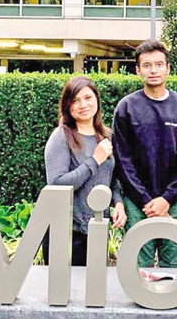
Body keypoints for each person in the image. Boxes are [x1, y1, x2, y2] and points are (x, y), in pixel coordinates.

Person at [113, 40, 177, 269]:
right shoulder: (126, 107)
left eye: (159, 64)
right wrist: (146, 201)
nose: (153, 70)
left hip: (176, 201)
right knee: (138, 266)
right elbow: (123, 160)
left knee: (175, 267)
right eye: (147, 65)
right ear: (138, 70)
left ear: (168, 68)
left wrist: (167, 199)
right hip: (137, 201)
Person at [43, 75, 126, 266]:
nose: (83, 105)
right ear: (67, 106)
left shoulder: (106, 136)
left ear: (96, 99)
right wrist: (94, 160)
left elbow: (112, 179)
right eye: (75, 100)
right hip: (67, 233)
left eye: (88, 98)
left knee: (92, 292)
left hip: (97, 229)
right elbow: (56, 184)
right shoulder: (61, 136)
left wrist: (118, 203)